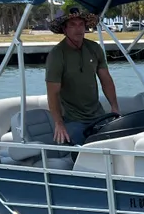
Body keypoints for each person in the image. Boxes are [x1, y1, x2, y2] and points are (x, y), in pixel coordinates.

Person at [45, 8, 121, 145]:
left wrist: (115, 108)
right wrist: (59, 123)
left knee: (117, 142)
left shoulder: (94, 48)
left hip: (98, 115)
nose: (78, 29)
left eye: (81, 24)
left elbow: (106, 80)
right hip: (72, 118)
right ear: (65, 29)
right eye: (72, 25)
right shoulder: (57, 55)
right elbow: (52, 93)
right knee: (79, 149)